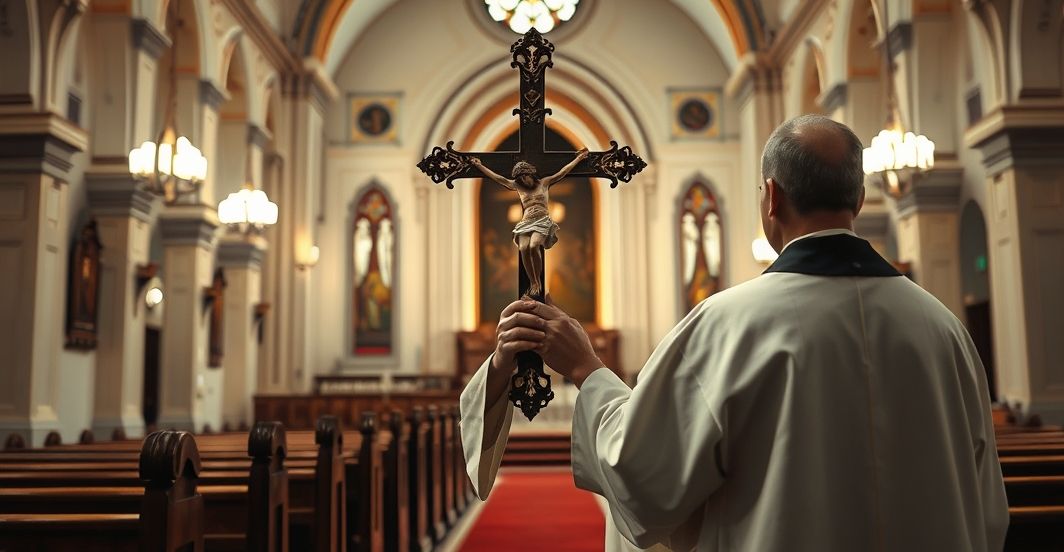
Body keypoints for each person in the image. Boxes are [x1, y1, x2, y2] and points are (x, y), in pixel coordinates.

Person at [459, 115, 1009, 551]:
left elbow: (643, 478)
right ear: (860, 200)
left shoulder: (725, 325)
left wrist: (586, 369)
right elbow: (986, 512)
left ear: (771, 197)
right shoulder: (945, 330)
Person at [470, 149, 588, 298]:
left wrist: (578, 159)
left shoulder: (544, 183)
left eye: (525, 176)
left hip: (542, 221)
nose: (524, 180)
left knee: (534, 246)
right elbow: (499, 179)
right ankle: (533, 282)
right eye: (520, 178)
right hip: (526, 222)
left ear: (531, 174)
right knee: (524, 248)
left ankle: (537, 280)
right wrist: (479, 166)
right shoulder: (519, 187)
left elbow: (562, 172)